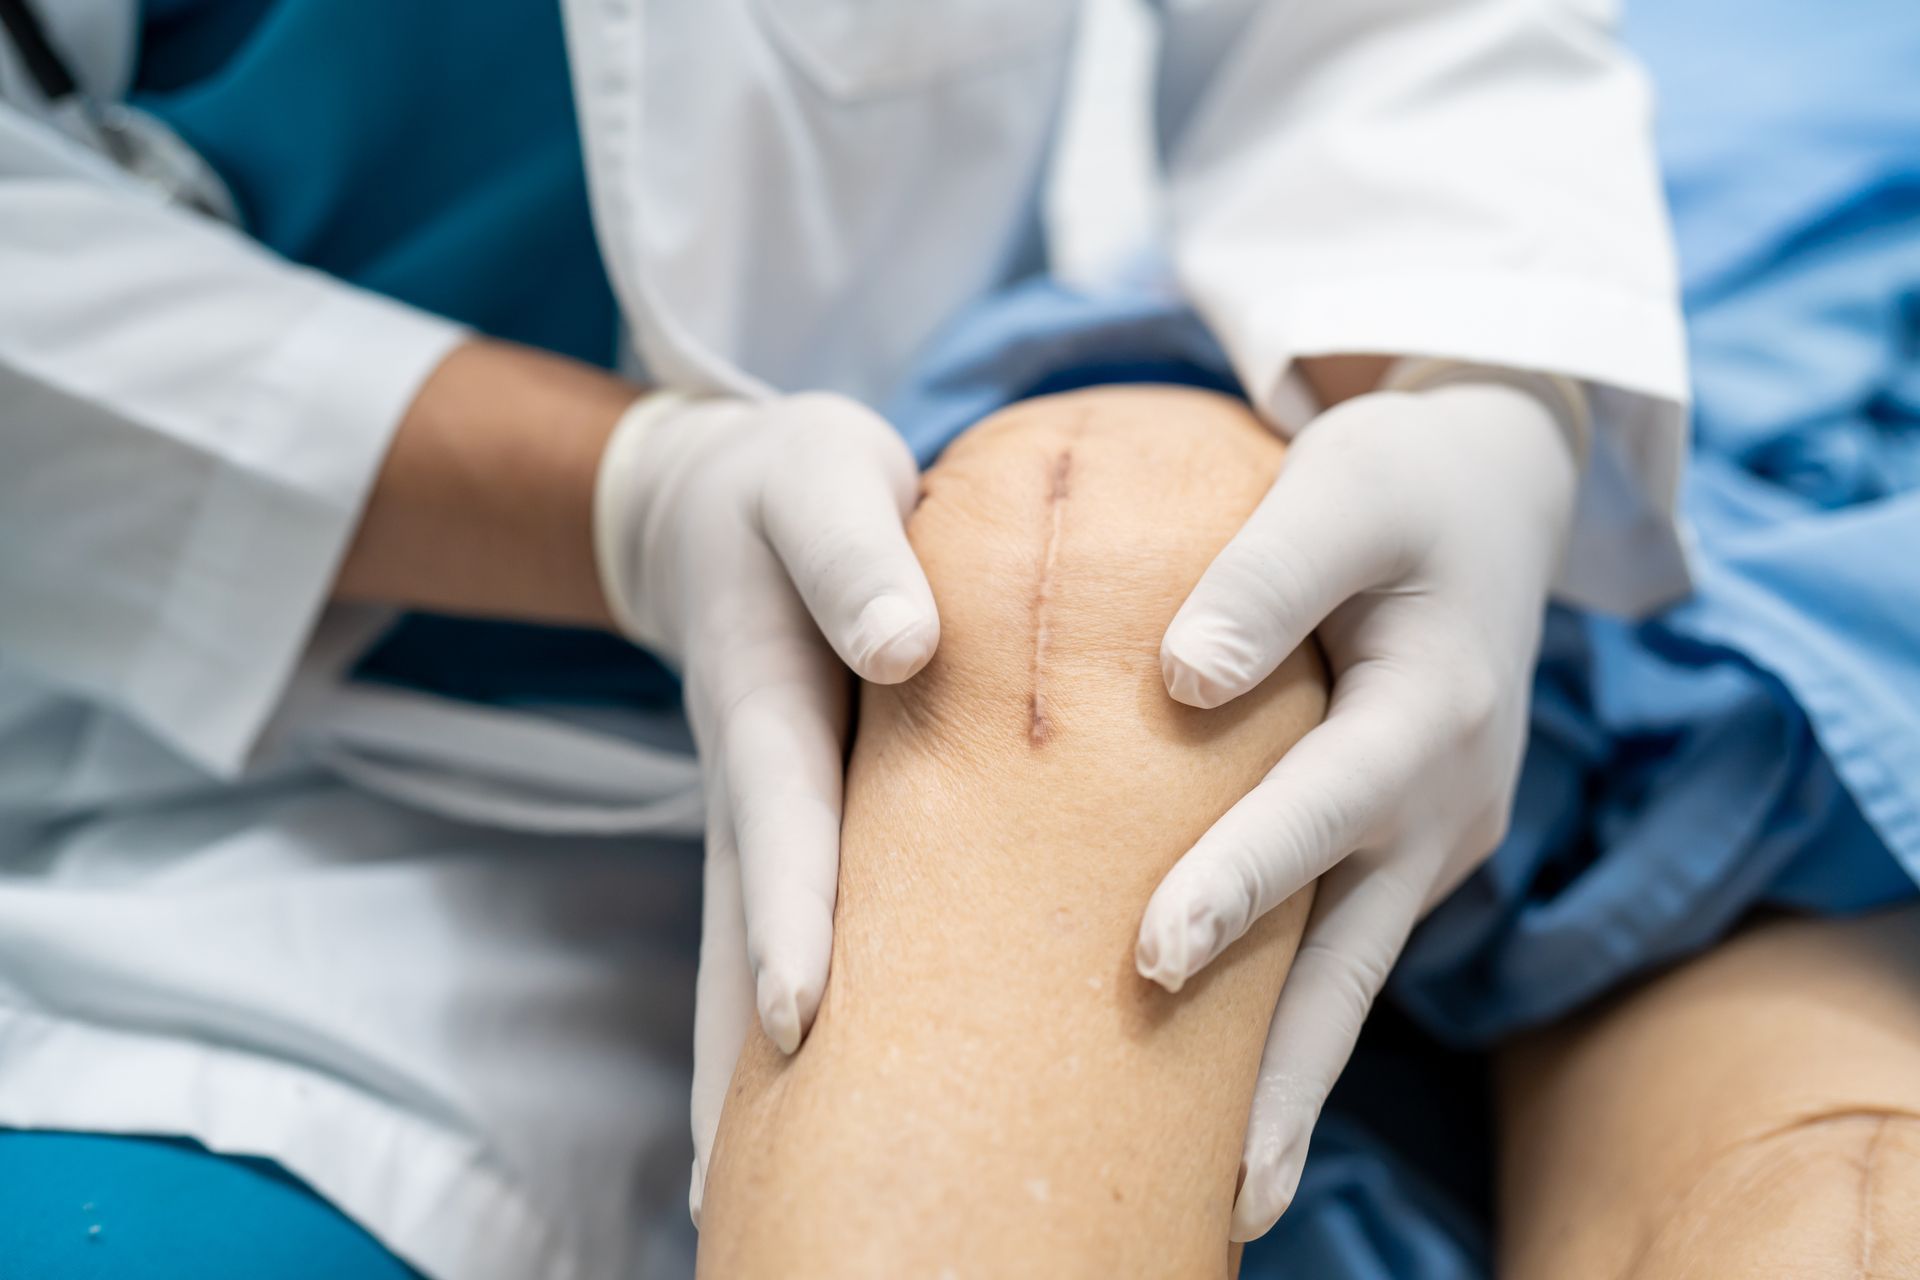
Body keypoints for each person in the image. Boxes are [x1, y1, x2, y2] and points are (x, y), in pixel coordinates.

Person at [0, 0, 1687, 1275]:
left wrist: (1477, 389)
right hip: (251, 782)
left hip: (959, 509)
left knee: (1120, 562)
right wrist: (634, 500)